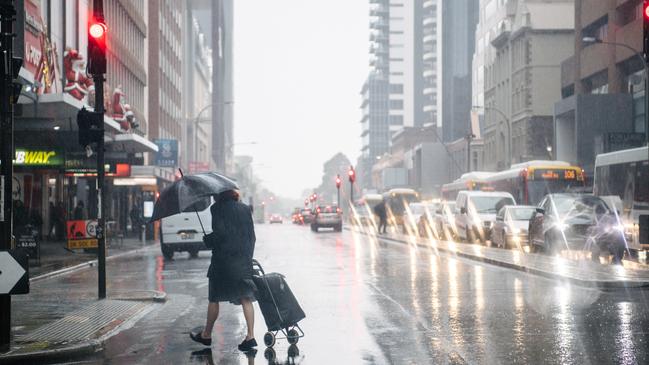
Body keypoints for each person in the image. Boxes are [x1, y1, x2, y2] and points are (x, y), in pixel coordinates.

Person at [190, 190, 258, 352]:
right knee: (245, 298)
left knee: (214, 298)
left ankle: (206, 335)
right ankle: (250, 336)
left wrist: (208, 240)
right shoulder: (245, 209)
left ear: (218, 195)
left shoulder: (217, 208)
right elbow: (251, 236)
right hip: (243, 260)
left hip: (223, 262)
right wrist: (247, 256)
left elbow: (221, 234)